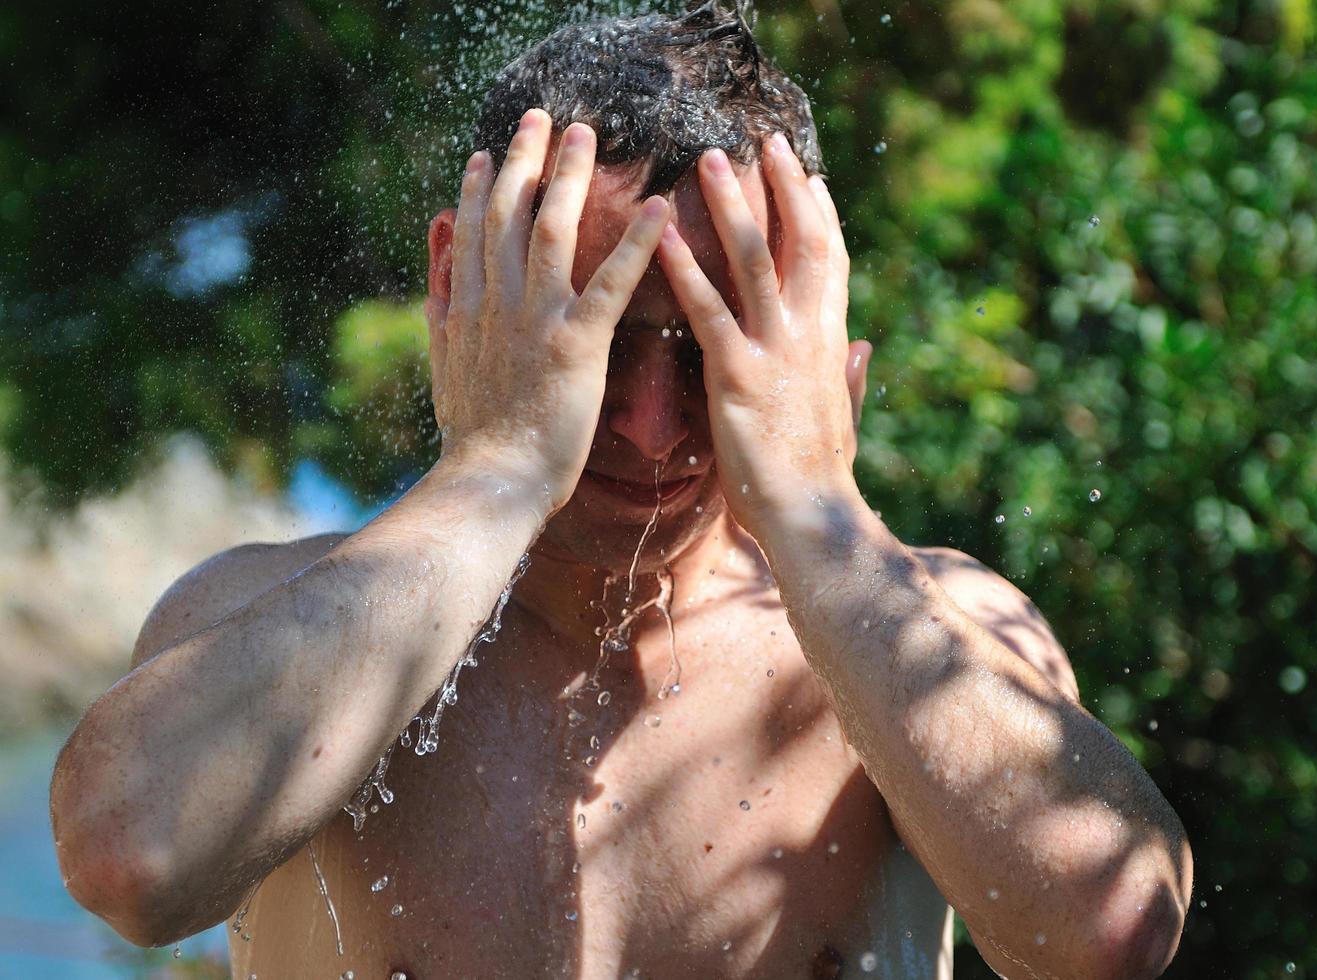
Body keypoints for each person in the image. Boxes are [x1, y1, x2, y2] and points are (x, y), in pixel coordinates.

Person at [50, 4, 1192, 977]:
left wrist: (813, 505)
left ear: (810, 325)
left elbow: (1113, 930)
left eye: (706, 346)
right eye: (590, 337)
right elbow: (130, 858)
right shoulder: (273, 627)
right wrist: (496, 468)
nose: (649, 424)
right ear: (463, 285)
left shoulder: (937, 635)